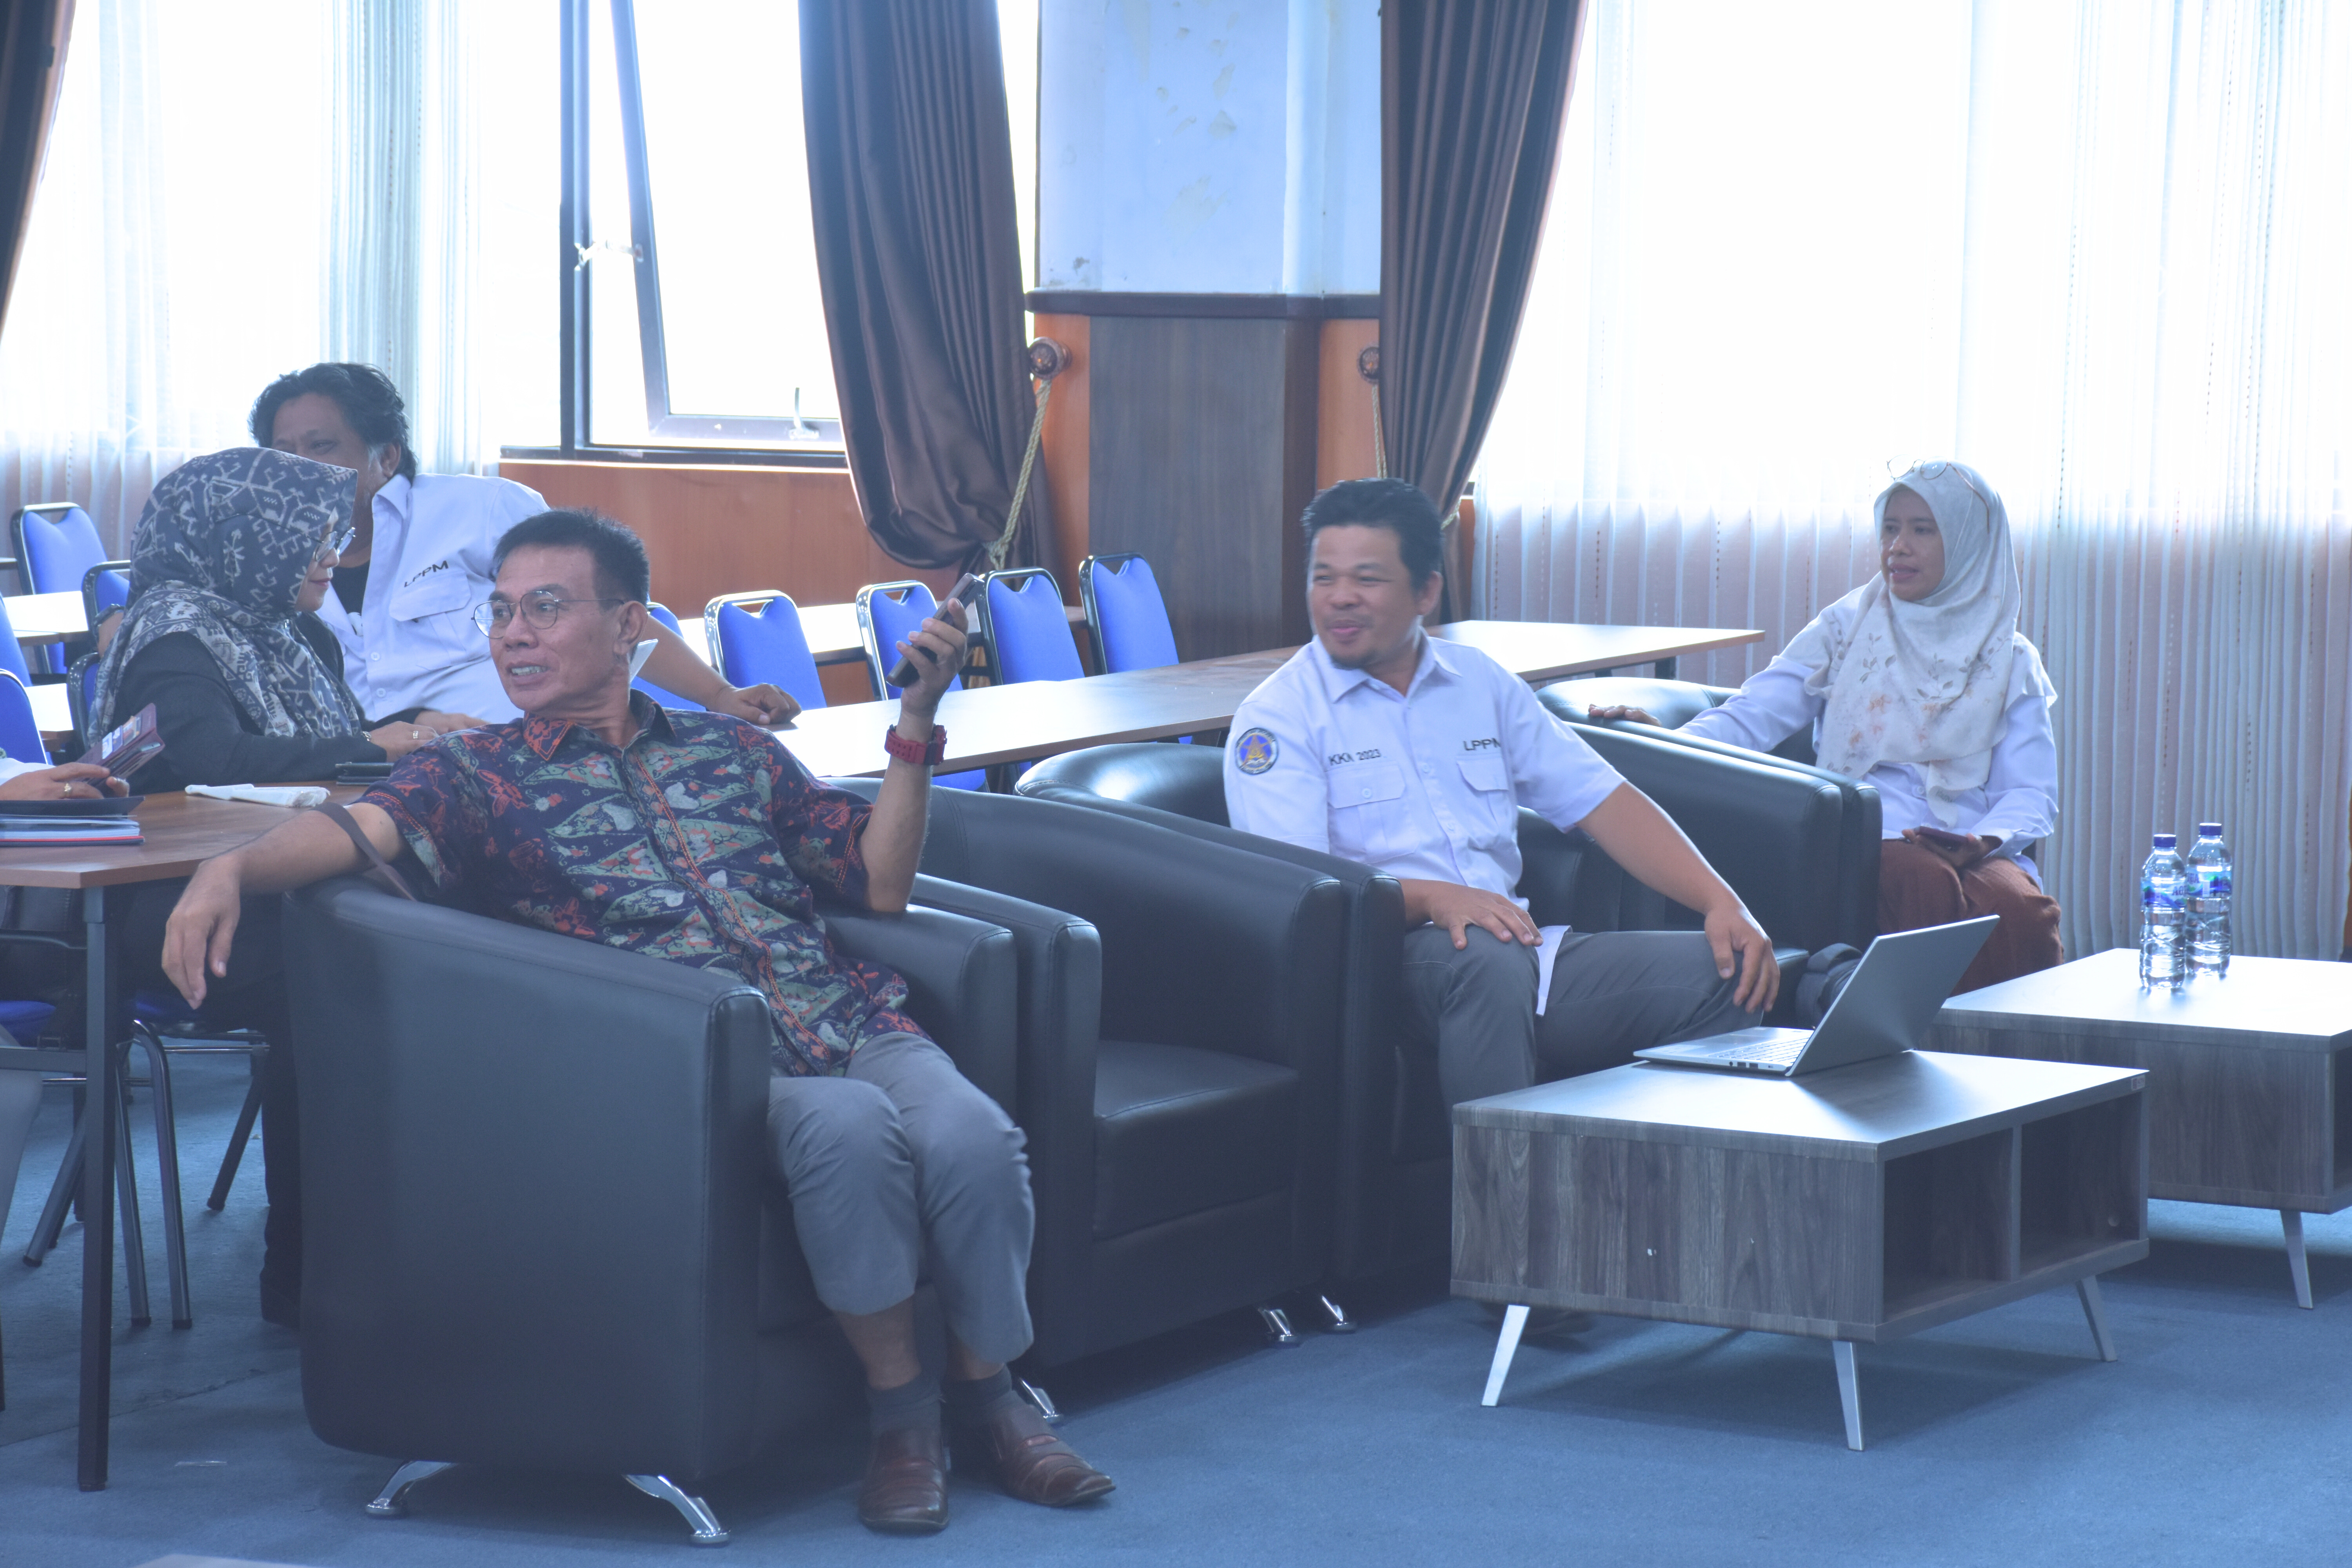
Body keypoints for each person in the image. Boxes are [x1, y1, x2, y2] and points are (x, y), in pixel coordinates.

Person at [158, 508, 1113, 1536]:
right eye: (501, 612)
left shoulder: (732, 750)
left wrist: (918, 718)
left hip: (844, 1017)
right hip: (695, 1061)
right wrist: (229, 869)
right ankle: (902, 1420)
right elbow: (352, 831)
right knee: (848, 1130)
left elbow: (878, 884)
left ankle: (991, 1394)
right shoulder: (475, 773)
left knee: (975, 1139)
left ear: (631, 627)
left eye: (546, 608)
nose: (514, 634)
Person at [1227, 478, 1777, 1117]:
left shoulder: (1480, 682)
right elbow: (1300, 893)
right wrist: (1433, 899)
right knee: (1486, 955)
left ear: (1426, 592)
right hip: (1381, 966)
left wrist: (1722, 902)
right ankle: (1506, 1185)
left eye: (1367, 579)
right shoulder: (1279, 716)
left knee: (1728, 970)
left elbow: (1606, 801)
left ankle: (1645, 1177)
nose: (1340, 597)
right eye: (1324, 578)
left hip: (1518, 952)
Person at [83, 446, 425, 1327]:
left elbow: (325, 750)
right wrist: (375, 747)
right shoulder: (175, 636)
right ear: (242, 538)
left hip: (278, 880)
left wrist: (412, 736)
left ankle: (408, 1244)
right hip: (163, 903)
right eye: (312, 535)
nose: (332, 554)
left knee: (411, 952)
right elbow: (210, 758)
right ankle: (309, 1270)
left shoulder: (294, 632)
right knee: (341, 981)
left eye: (336, 533)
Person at [1589, 461, 2062, 993]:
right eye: (1890, 528)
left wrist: (1984, 840)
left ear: (1971, 544)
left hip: (1977, 843)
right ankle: (1928, 1039)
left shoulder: (2009, 659)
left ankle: (2013, 1042)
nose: (1898, 547)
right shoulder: (1846, 627)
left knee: (2019, 909)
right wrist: (1665, 744)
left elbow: (2030, 791)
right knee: (1921, 884)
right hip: (1870, 832)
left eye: (1923, 530)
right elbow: (1754, 715)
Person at [251, 363, 793, 730]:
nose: (299, 469)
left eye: (322, 447)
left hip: (527, 757)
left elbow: (607, 616)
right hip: (372, 774)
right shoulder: (258, 562)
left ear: (387, 457)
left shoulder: (480, 510)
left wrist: (719, 696)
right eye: (283, 452)